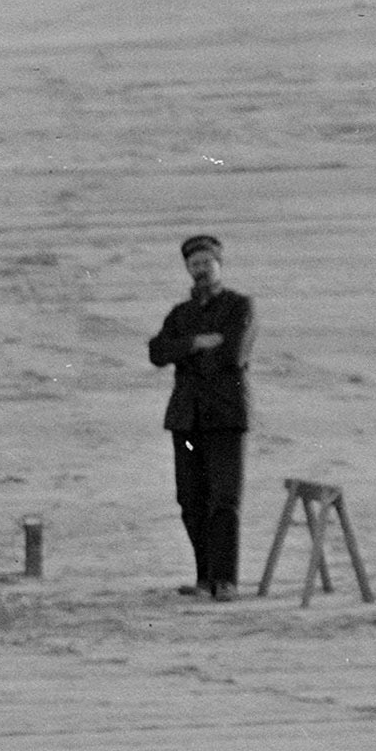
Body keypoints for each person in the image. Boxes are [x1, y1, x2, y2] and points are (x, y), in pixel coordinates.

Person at [148, 234, 256, 602]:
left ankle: (226, 580)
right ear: (188, 270)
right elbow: (156, 351)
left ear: (219, 265)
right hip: (187, 418)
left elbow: (232, 355)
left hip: (225, 416)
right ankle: (204, 578)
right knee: (190, 499)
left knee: (223, 499)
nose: (202, 270)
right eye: (195, 265)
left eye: (207, 263)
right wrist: (195, 343)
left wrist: (190, 353)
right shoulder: (181, 314)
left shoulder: (240, 305)